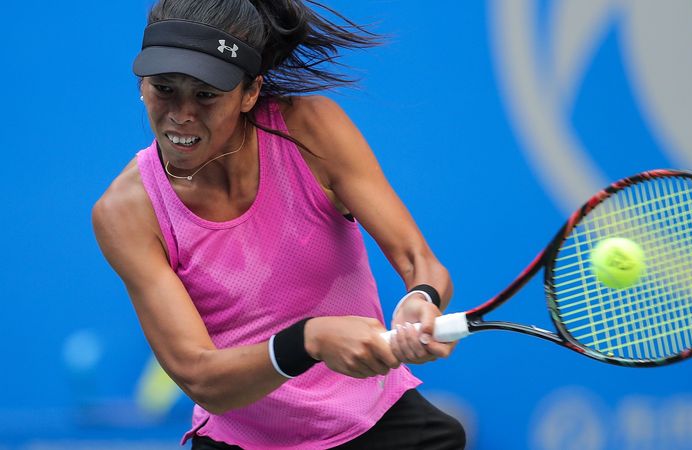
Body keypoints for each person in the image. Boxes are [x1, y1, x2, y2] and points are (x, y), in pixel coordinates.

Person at [92, 0, 466, 448]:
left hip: (378, 426)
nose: (181, 114)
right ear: (142, 84)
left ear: (250, 93)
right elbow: (199, 377)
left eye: (207, 94)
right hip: (242, 442)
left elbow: (418, 259)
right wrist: (307, 342)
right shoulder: (126, 211)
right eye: (164, 88)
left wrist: (421, 298)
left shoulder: (311, 130)